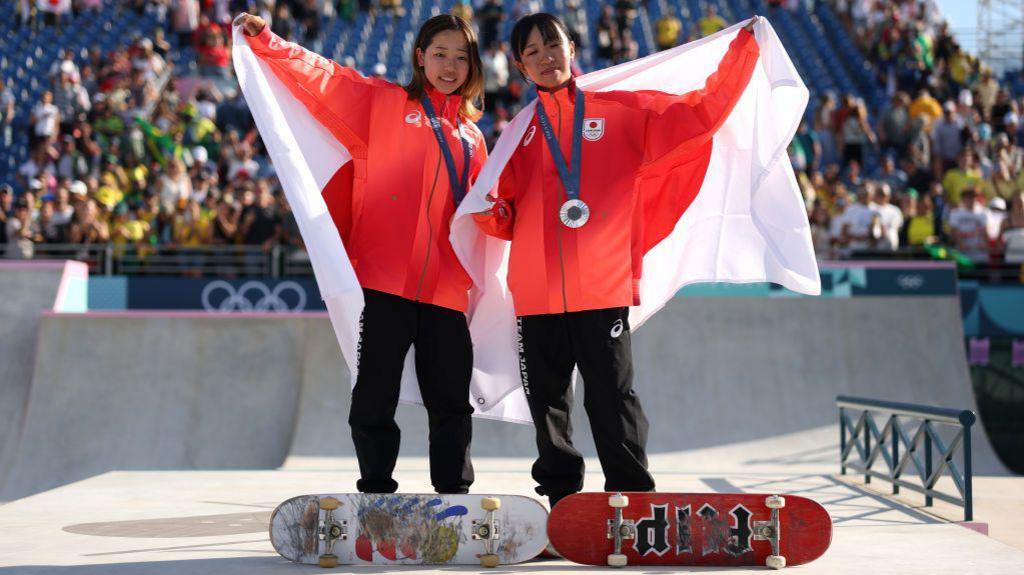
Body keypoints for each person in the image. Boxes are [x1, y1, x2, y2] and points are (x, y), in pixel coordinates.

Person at [473, 13, 759, 507]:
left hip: (600, 287)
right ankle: (562, 502)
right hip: (536, 294)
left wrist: (745, 50)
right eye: (533, 52)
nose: (545, 57)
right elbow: (505, 215)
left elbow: (700, 115)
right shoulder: (519, 133)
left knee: (612, 397)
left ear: (572, 48)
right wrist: (488, 213)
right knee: (549, 404)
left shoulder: (621, 110)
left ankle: (630, 496)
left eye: (552, 45)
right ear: (520, 66)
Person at [238, 12, 488, 495]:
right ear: (420, 57)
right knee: (374, 395)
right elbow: (325, 78)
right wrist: (268, 41)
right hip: (384, 282)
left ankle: (456, 497)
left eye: (462, 57)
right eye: (440, 54)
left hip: (446, 291)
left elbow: (479, 212)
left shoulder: (472, 137)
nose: (450, 65)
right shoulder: (383, 104)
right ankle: (375, 490)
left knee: (452, 403)